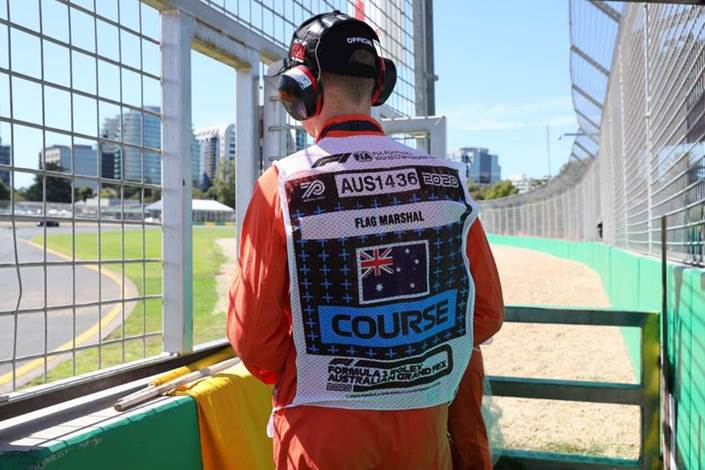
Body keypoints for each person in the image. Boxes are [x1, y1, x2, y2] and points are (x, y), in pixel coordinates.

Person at [227, 11, 503, 469]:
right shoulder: (445, 181)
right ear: (379, 87)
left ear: (302, 90)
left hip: (320, 432)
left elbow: (254, 340)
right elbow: (486, 314)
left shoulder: (281, 186)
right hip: (425, 429)